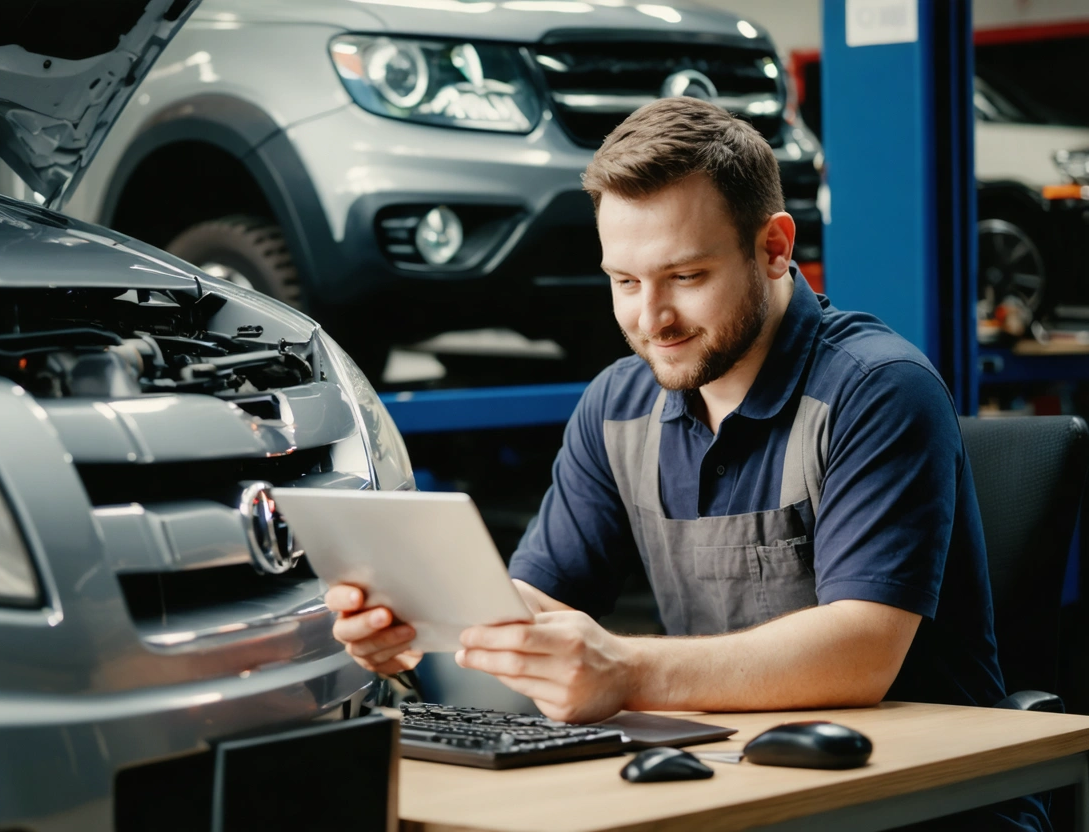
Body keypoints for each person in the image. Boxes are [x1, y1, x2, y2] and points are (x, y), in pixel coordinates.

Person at [327, 97, 1046, 830]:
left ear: (773, 247)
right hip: (738, 795)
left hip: (927, 807)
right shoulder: (617, 405)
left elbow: (861, 652)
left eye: (686, 276)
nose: (651, 319)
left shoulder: (878, 389)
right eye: (625, 282)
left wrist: (625, 671)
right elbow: (534, 605)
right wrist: (426, 631)